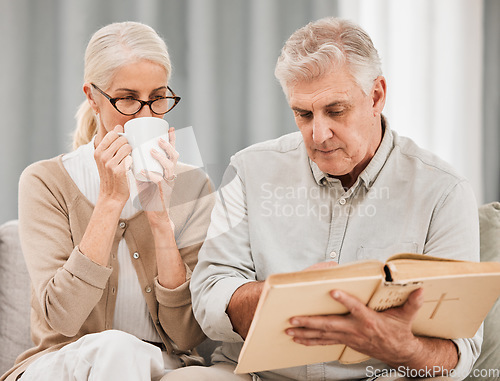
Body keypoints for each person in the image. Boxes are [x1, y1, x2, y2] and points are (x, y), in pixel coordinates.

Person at [165, 17, 481, 381]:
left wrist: (400, 347)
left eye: (335, 111)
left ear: (376, 95)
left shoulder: (442, 191)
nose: (318, 133)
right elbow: (208, 299)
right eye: (303, 114)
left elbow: (460, 352)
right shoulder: (250, 170)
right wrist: (283, 296)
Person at [1, 21, 214, 381]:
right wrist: (110, 200)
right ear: (92, 97)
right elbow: (64, 318)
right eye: (128, 99)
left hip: (162, 361)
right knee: (115, 348)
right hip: (63, 362)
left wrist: (162, 221)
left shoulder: (192, 183)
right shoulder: (44, 181)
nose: (146, 116)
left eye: (159, 98)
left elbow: (188, 335)